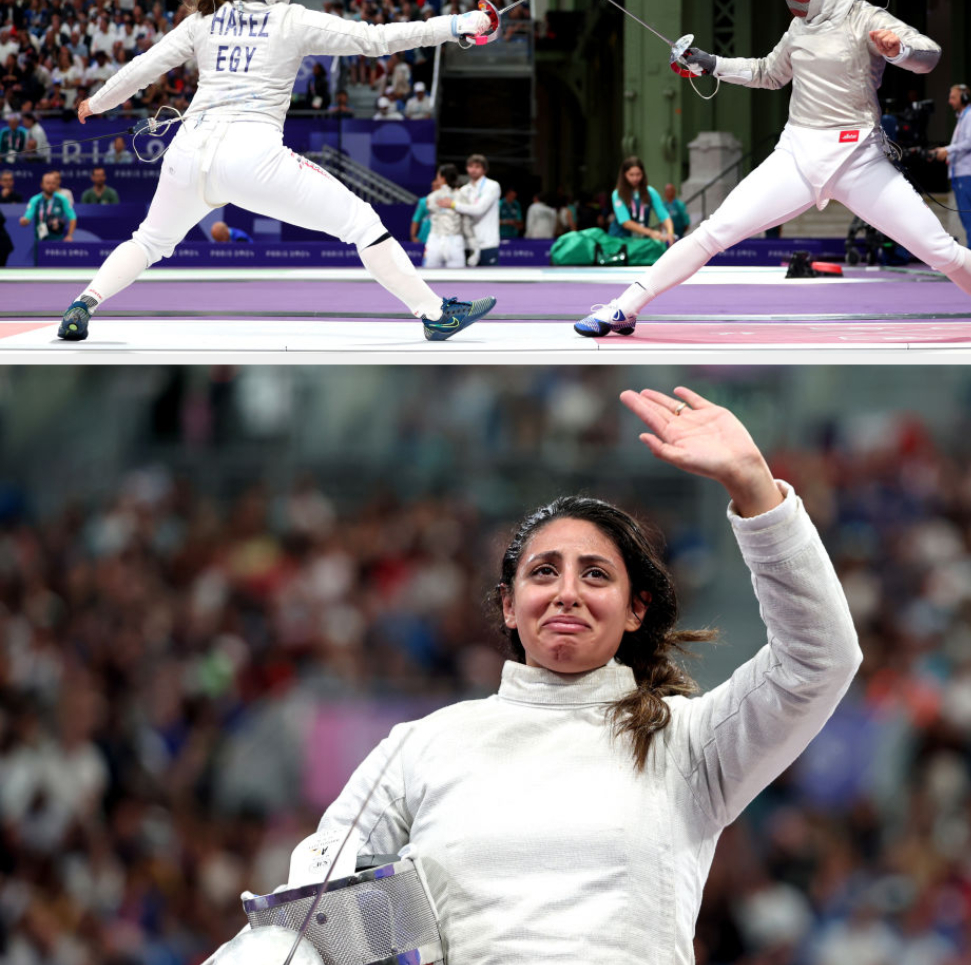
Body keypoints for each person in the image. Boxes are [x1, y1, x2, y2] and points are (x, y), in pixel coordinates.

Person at [206, 385, 860, 965]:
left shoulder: (687, 741)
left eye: (595, 574)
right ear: (509, 606)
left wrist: (756, 490)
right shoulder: (422, 745)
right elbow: (316, 908)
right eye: (544, 572)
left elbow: (819, 660)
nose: (568, 592)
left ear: (637, 611)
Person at [574, 0, 971, 336]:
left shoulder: (866, 18)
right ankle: (624, 306)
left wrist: (900, 48)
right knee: (713, 232)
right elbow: (767, 71)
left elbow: (928, 55)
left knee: (939, 250)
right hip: (798, 155)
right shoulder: (798, 28)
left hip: (859, 161)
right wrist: (712, 62)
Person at [56, 0, 496, 343]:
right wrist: (460, 24)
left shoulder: (204, 22)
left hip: (186, 154)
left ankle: (83, 305)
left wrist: (95, 103)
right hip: (253, 158)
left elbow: (142, 67)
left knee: (148, 241)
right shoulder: (290, 20)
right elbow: (376, 39)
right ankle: (435, 315)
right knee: (361, 224)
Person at [929, 84, 971, 254]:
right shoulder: (963, 117)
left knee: (968, 215)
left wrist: (947, 150)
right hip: (961, 173)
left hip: (968, 174)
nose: (950, 101)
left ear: (964, 98)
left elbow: (968, 143)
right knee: (965, 214)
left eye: (953, 97)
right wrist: (949, 155)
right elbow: (962, 144)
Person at [438, 152, 500, 265]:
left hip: (487, 243)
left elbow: (479, 210)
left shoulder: (492, 186)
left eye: (477, 167)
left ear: (484, 169)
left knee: (489, 281)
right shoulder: (464, 190)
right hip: (467, 244)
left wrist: (453, 204)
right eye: (470, 166)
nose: (473, 170)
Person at [609, 156, 675, 245]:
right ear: (624, 175)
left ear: (643, 174)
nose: (635, 178)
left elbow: (664, 216)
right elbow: (626, 222)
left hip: (641, 242)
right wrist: (651, 232)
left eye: (638, 174)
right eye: (631, 175)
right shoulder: (618, 194)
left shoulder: (650, 192)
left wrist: (670, 233)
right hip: (620, 240)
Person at [423, 163, 466, 268]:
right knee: (458, 279)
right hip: (454, 241)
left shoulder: (432, 197)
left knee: (429, 277)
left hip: (437, 240)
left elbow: (430, 206)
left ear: (442, 178)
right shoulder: (461, 196)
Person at [20, 170, 76, 243]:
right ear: (42, 185)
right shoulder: (35, 200)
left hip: (57, 240)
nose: (51, 185)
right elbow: (28, 216)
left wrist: (70, 235)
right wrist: (24, 221)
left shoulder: (62, 199)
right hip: (39, 241)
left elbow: (72, 217)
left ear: (56, 185)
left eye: (53, 183)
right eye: (48, 183)